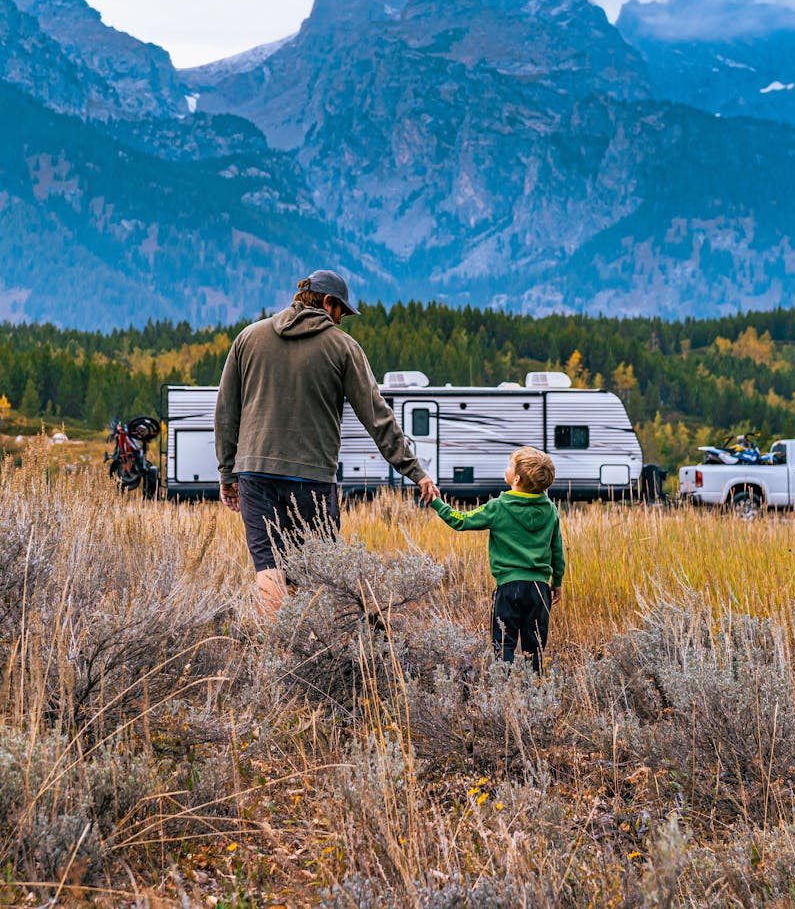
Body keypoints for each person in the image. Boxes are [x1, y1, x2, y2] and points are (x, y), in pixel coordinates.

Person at [215, 269, 440, 617]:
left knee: (268, 565)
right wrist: (416, 472)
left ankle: (276, 652)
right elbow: (377, 416)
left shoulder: (248, 338)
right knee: (317, 569)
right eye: (342, 312)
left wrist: (227, 475)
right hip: (312, 478)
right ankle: (310, 648)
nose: (342, 321)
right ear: (327, 302)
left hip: (255, 473)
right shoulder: (342, 347)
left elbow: (226, 410)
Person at [429, 447, 564, 668]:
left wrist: (437, 502)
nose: (506, 469)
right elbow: (557, 550)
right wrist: (556, 582)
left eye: (510, 465)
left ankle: (505, 690)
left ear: (517, 478)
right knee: (535, 648)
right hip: (540, 590)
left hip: (509, 588)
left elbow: (460, 521)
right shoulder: (550, 510)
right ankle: (537, 693)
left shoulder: (498, 507)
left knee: (503, 644)